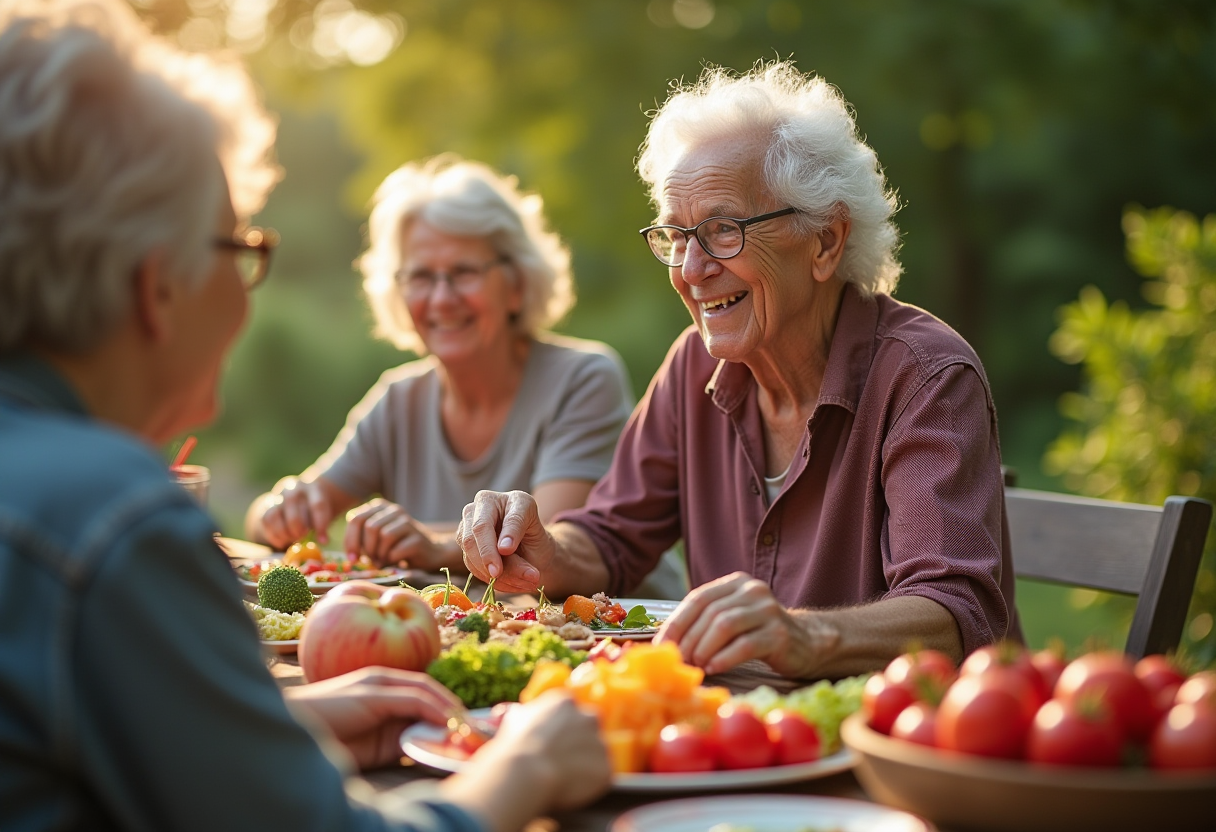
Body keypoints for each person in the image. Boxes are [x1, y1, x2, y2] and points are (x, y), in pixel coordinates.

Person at [0, 2, 609, 830]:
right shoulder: (118, 520)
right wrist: (526, 767)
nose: (250, 292)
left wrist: (286, 723)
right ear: (157, 286)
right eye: (240, 248)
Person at [458, 61, 1022, 680]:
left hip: (894, 745)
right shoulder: (691, 366)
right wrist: (544, 547)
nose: (691, 269)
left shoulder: (925, 376)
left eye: (723, 230)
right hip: (732, 735)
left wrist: (804, 635)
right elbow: (614, 537)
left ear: (826, 241)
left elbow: (955, 611)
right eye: (676, 235)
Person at [242, 156, 692, 595]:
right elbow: (275, 514)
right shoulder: (398, 399)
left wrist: (427, 544)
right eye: (420, 276)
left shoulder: (583, 377)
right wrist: (283, 508)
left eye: (463, 273)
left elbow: (544, 550)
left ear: (516, 285)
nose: (441, 299)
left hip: (621, 641)